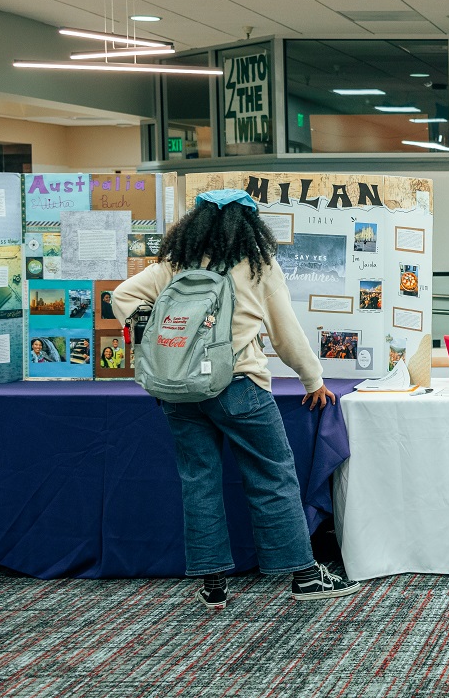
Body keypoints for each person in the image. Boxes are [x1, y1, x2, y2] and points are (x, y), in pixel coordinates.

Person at [113, 189, 359, 611]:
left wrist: (163, 341)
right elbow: (285, 333)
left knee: (199, 481)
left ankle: (212, 584)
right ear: (249, 225)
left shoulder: (173, 264)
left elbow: (122, 297)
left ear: (198, 221)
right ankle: (302, 575)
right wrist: (312, 379)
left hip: (180, 390)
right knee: (272, 476)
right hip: (238, 385)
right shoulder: (257, 267)